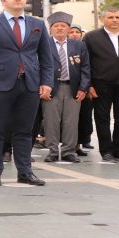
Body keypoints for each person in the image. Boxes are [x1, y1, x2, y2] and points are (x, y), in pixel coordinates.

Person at [0, 0, 53, 186]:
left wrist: (46, 82)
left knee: (25, 131)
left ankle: (25, 172)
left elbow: (46, 57)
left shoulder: (37, 24)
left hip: (30, 84)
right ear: (3, 1)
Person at [41, 12, 90, 163]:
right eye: (56, 26)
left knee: (71, 121)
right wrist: (42, 87)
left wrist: (83, 88)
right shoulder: (43, 44)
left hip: (73, 88)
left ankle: (69, 150)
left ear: (69, 29)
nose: (60, 28)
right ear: (51, 29)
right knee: (51, 121)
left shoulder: (79, 45)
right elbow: (38, 67)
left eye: (64, 26)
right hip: (50, 88)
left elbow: (86, 68)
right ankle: (53, 151)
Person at [83, 7, 119, 162]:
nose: (115, 20)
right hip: (100, 83)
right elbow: (85, 63)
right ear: (103, 19)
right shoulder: (91, 37)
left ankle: (117, 150)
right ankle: (106, 151)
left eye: (117, 17)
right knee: (102, 117)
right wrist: (89, 84)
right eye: (111, 17)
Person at [69, 24, 93, 154]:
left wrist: (87, 86)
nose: (74, 34)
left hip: (84, 87)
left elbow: (88, 68)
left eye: (77, 32)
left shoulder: (85, 47)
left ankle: (78, 145)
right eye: (71, 32)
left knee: (84, 118)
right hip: (67, 88)